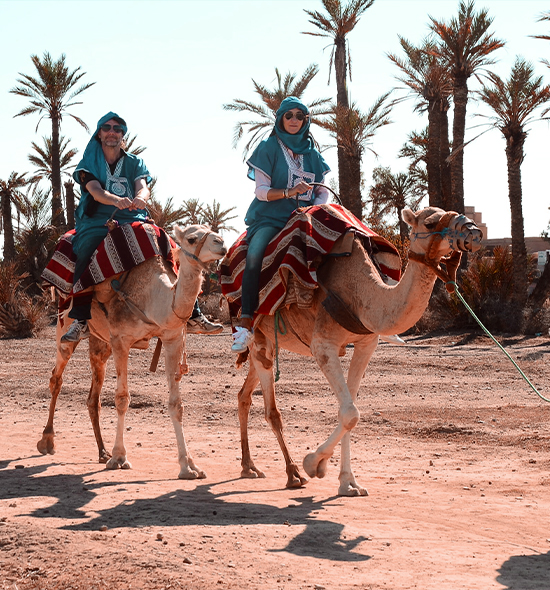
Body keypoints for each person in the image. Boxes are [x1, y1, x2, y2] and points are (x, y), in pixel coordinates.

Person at [62, 111, 221, 342]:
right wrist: (116, 200)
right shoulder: (89, 162)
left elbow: (143, 186)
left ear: (122, 135)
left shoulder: (134, 162)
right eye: (107, 127)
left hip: (134, 217)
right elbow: (95, 191)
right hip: (99, 219)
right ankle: (80, 319)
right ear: (99, 133)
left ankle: (194, 313)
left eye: (118, 129)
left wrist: (142, 197)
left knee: (172, 246)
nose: (112, 132)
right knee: (86, 248)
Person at [231, 97, 330, 353]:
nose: (295, 120)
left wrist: (316, 205)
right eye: (290, 115)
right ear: (281, 119)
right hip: (271, 218)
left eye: (300, 116)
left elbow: (322, 191)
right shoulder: (268, 148)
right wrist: (289, 192)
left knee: (340, 246)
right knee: (254, 254)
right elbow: (262, 191)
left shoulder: (314, 154)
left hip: (305, 217)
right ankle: (246, 322)